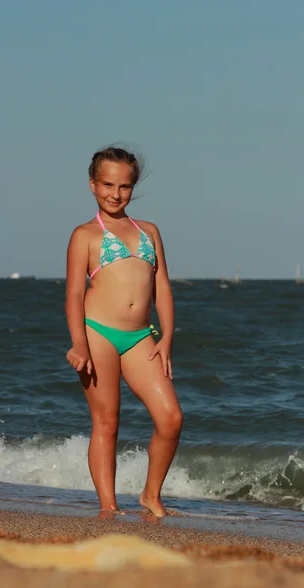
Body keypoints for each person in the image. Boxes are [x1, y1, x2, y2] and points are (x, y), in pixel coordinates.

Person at [65, 147, 183, 517]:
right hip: (97, 333)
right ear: (92, 185)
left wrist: (166, 338)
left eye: (125, 186)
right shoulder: (85, 235)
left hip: (140, 337)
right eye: (107, 184)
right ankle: (108, 506)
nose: (115, 194)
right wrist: (79, 344)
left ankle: (150, 495)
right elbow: (73, 295)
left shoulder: (149, 231)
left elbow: (162, 287)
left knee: (171, 418)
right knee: (107, 421)